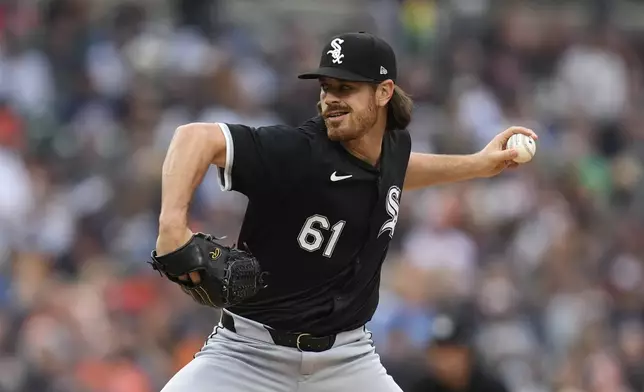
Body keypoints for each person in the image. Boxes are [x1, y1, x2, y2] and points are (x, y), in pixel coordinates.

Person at [154, 31, 537, 392]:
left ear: (384, 92)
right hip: (248, 354)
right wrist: (172, 225)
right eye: (326, 87)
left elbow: (395, 172)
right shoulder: (299, 153)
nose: (330, 99)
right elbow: (194, 137)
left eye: (346, 88)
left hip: (347, 361)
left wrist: (478, 164)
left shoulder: (392, 148)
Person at [407, 309, 510, 392]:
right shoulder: (421, 388)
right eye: (438, 354)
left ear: (468, 354)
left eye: (451, 353)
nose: (444, 362)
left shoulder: (491, 388)